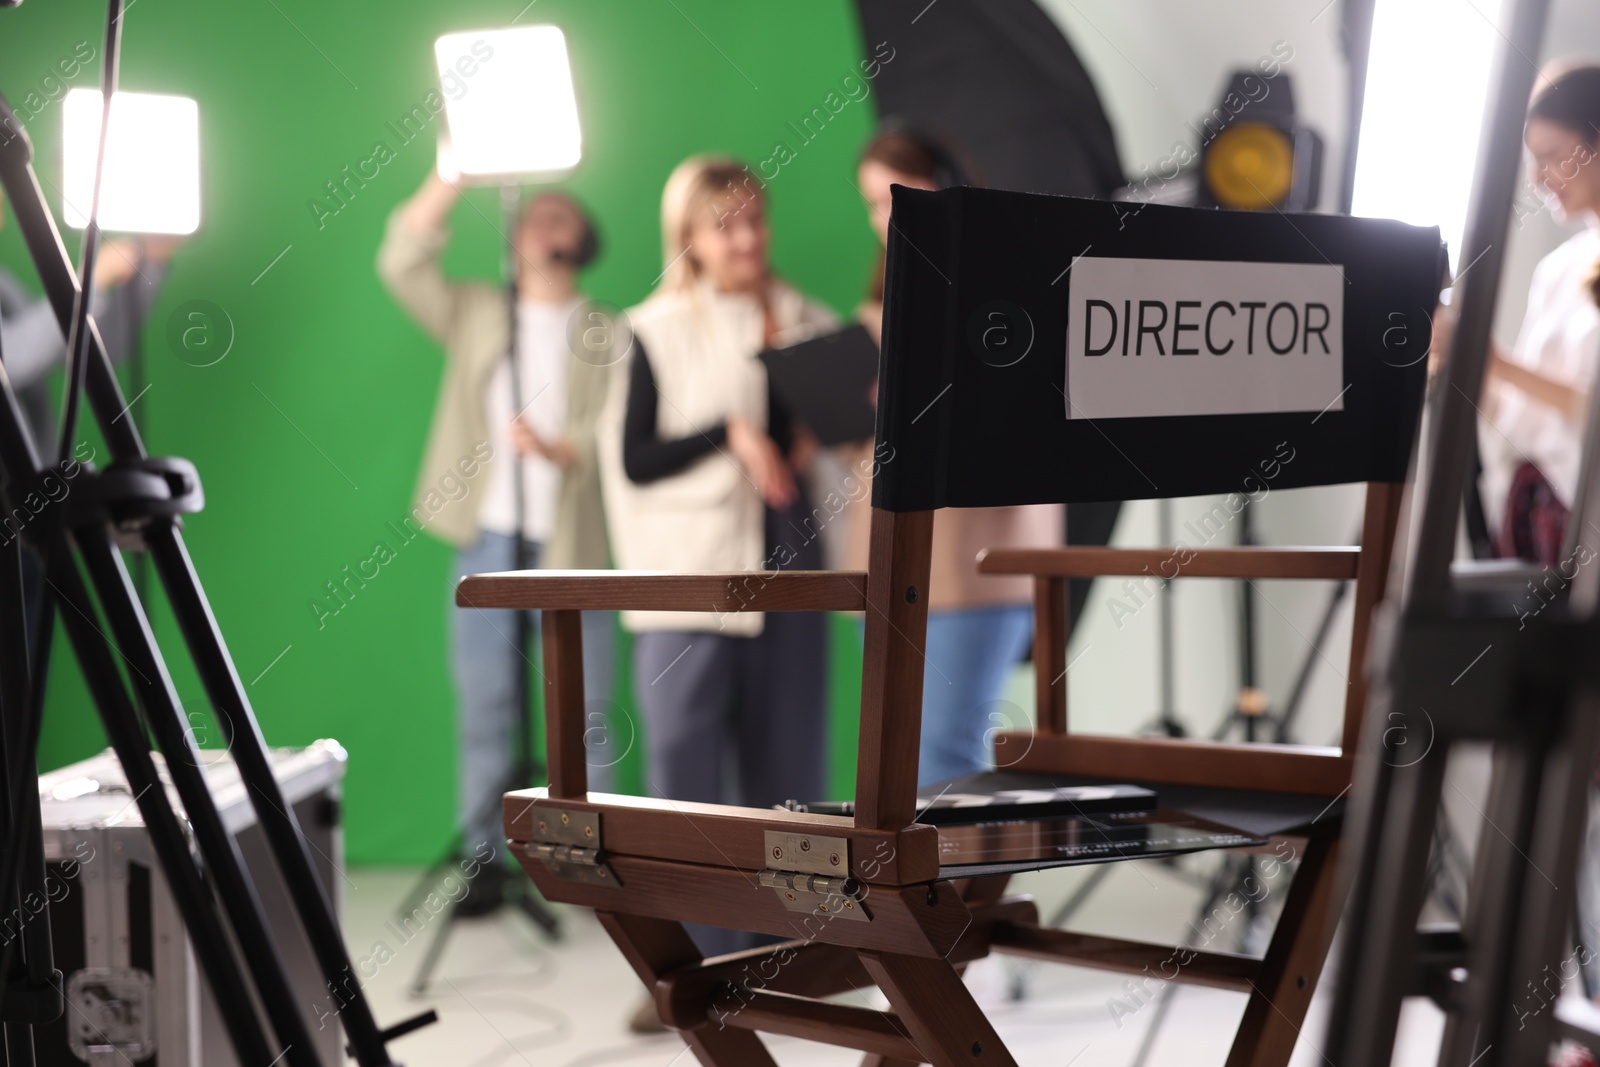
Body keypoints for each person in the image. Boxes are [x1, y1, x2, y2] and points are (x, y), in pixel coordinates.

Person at [599, 155, 831, 956]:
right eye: (725, 223)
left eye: (757, 219)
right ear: (689, 237)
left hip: (794, 555)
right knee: (684, 775)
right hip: (692, 572)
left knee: (792, 766)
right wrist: (730, 433)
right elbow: (632, 458)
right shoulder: (649, 329)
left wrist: (815, 431)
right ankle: (692, 960)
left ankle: (791, 951)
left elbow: (846, 427)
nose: (748, 238)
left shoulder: (811, 317)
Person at [377, 160, 618, 916]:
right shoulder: (481, 310)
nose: (541, 225)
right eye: (531, 215)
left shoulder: (607, 330)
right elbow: (401, 259)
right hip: (488, 534)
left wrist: (560, 448)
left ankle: (589, 861)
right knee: (484, 701)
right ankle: (486, 858)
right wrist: (452, 171)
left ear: (581, 240)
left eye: (559, 216)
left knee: (585, 710)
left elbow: (614, 429)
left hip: (574, 542)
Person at [848, 129, 1066, 787]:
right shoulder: (877, 306)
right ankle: (920, 894)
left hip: (977, 563)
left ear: (944, 188)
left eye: (895, 197)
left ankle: (970, 893)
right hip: (885, 565)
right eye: (872, 205)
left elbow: (1033, 414)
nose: (886, 220)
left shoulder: (1014, 286)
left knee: (945, 756)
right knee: (891, 766)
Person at [1435, 62, 1600, 564]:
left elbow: (1590, 413)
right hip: (1529, 527)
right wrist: (1465, 360)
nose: (1538, 179)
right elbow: (1517, 420)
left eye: (1551, 157)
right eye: (1532, 161)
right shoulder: (1557, 270)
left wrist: (1498, 362)